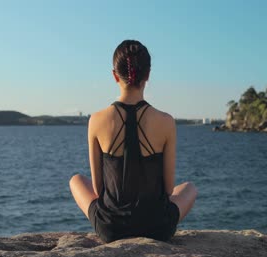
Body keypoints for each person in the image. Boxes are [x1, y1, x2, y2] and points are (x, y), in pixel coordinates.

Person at [69, 40, 197, 243]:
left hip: (111, 228)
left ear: (114, 75)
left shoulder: (96, 120)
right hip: (158, 228)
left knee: (75, 180)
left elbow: (98, 188)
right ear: (148, 75)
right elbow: (169, 189)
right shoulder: (166, 121)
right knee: (189, 188)